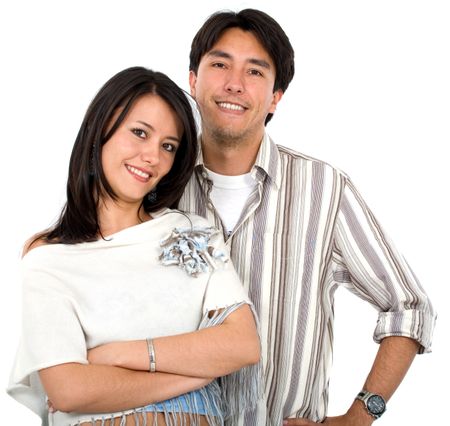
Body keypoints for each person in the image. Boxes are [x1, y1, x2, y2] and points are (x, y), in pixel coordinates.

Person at [179, 8, 437, 426]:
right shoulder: (153, 189)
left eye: (255, 72)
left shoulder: (325, 190)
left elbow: (409, 307)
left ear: (275, 98)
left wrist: (359, 417)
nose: (234, 84)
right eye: (220, 64)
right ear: (193, 79)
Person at [7, 66, 261, 426]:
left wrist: (118, 355)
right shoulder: (48, 258)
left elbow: (242, 345)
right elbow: (69, 390)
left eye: (168, 146)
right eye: (139, 133)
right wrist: (195, 375)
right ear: (99, 133)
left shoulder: (192, 233)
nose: (152, 157)